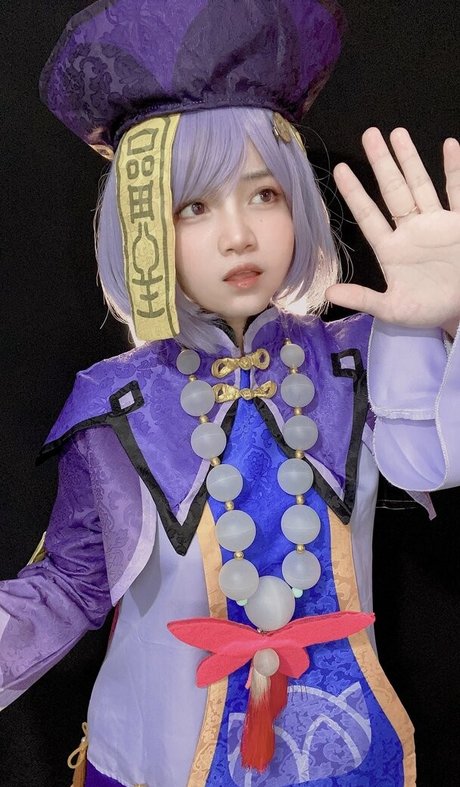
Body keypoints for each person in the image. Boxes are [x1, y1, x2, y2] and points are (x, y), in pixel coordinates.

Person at [1, 1, 459, 785]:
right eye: (194, 207)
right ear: (144, 229)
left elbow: (431, 461)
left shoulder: (358, 359)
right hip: (156, 760)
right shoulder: (118, 405)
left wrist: (441, 327)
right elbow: (72, 584)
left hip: (345, 756)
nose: (238, 234)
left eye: (263, 194)